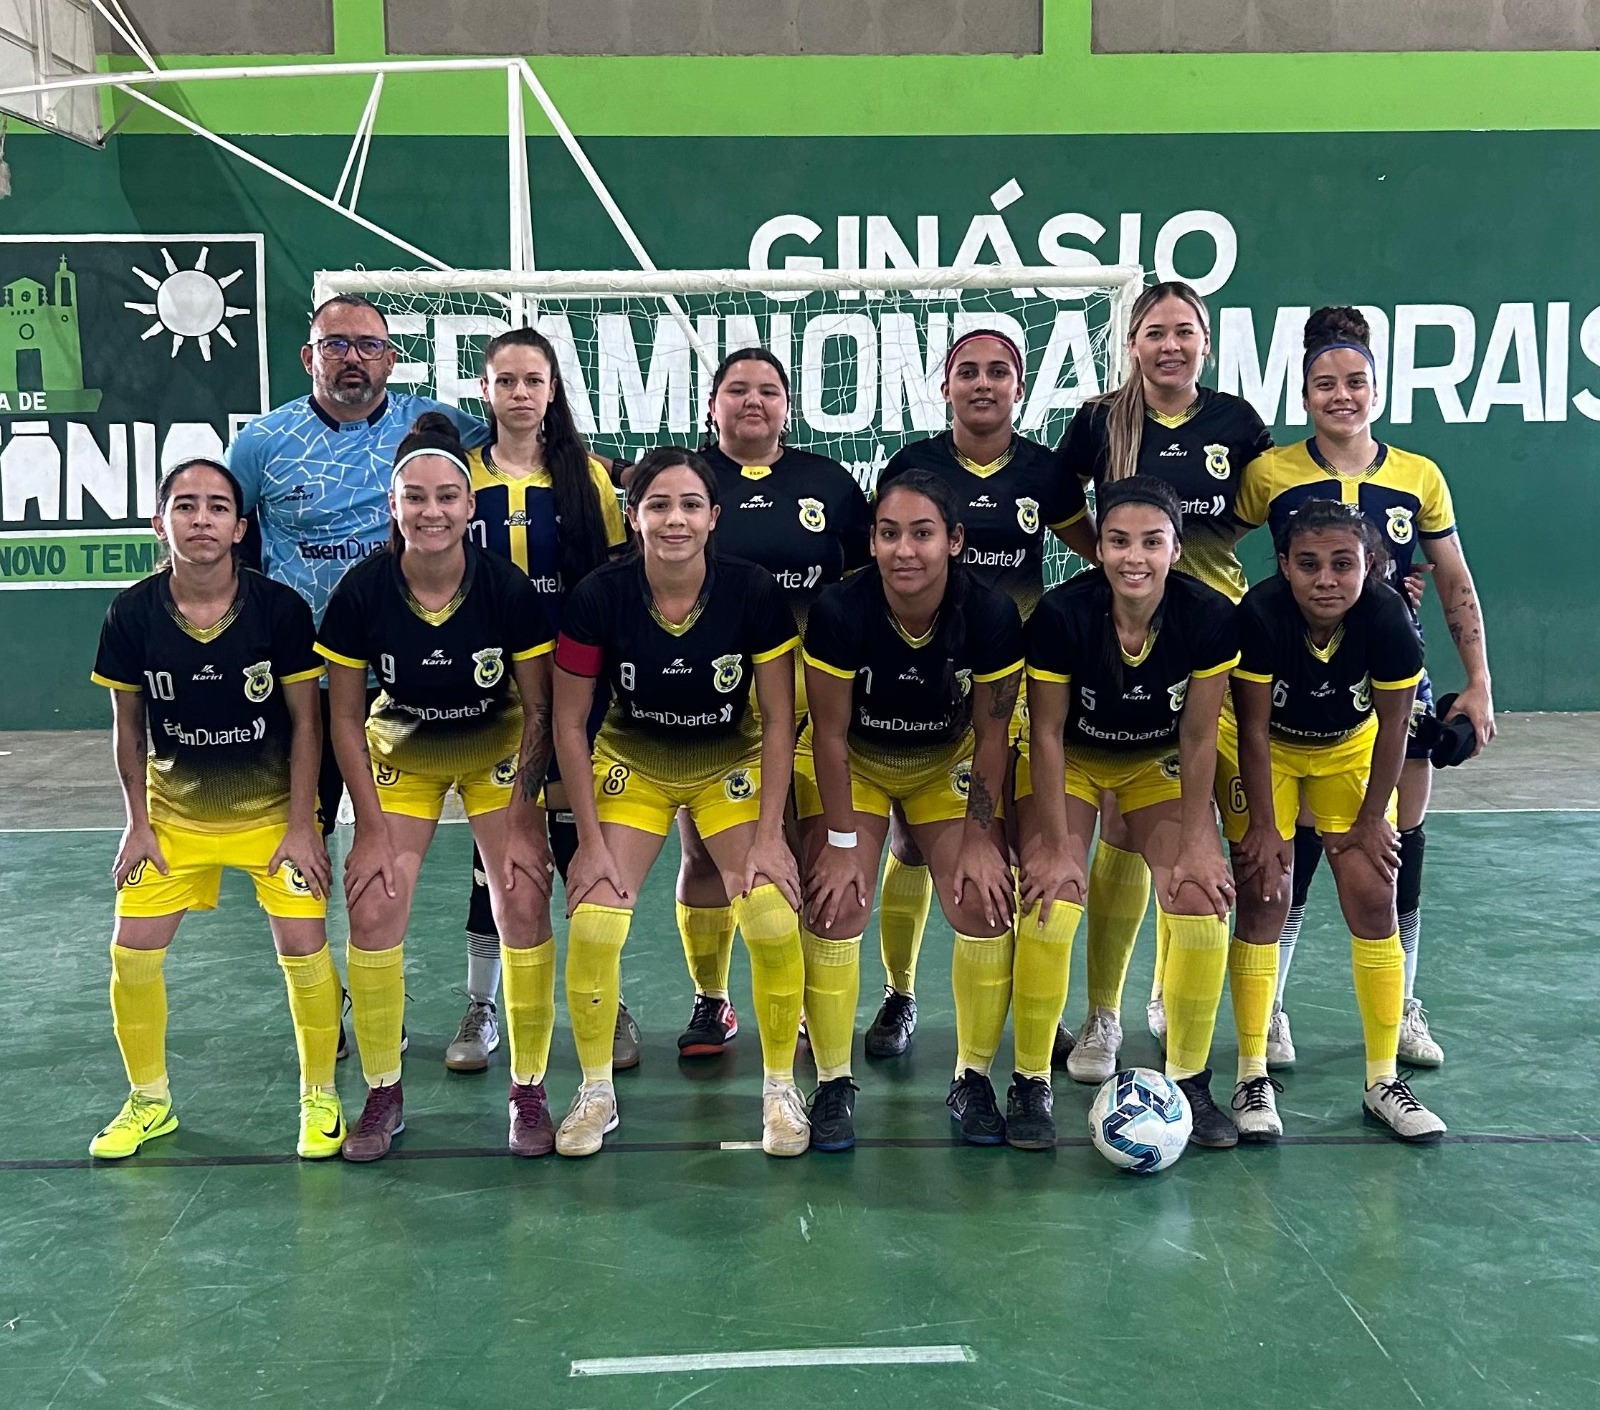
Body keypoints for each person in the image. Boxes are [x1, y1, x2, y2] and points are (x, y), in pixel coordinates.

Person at [1235, 306, 1495, 1069]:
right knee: (1294, 848)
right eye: (1324, 384)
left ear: (1375, 388)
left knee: (1392, 845)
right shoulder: (1272, 473)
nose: (1340, 395)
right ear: (1305, 393)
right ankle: (1270, 1011)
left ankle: (1404, 1002)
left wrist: (1478, 683)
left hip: (1394, 683)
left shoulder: (1419, 476)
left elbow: (1455, 581)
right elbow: (1212, 559)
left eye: (1354, 382)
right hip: (1294, 686)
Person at [551, 447, 809, 1158]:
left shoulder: (751, 590)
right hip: (633, 764)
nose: (674, 519)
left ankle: (780, 1089)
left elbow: (782, 720)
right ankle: (595, 1091)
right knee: (597, 921)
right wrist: (591, 843)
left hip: (730, 761)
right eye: (658, 505)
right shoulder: (600, 595)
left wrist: (768, 837)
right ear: (633, 517)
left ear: (713, 517)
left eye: (690, 504)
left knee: (770, 915)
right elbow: (569, 724)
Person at [317, 415, 557, 1162]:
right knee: (374, 899)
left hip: (495, 751)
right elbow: (346, 714)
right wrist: (373, 827)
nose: (432, 511)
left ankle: (529, 1088)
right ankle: (383, 1089)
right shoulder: (362, 591)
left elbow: (541, 707)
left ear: (469, 506)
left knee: (520, 892)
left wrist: (521, 815)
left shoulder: (507, 589)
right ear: (393, 505)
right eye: (415, 497)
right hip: (405, 756)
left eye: (448, 497)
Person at [1053, 281, 1273, 1083]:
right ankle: (1103, 1013)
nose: (1170, 345)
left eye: (1185, 331)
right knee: (1122, 823)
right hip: (1132, 639)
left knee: (1224, 835)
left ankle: (1230, 1005)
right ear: (1133, 343)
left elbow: (1268, 508)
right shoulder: (1101, 421)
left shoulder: (1237, 424)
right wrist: (1121, 564)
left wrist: (1191, 561)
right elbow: (1058, 501)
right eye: (1155, 332)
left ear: (1205, 342)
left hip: (1224, 646)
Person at [88, 459, 340, 1159]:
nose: (202, 519)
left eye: (217, 507)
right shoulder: (131, 612)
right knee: (132, 957)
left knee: (305, 950)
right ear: (159, 523)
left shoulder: (279, 610)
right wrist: (137, 824)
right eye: (186, 506)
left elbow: (307, 726)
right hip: (172, 820)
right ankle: (150, 1101)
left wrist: (303, 825)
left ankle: (319, 1095)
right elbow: (127, 728)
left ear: (240, 526)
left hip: (272, 820)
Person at [863, 330, 1095, 1062]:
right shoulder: (914, 467)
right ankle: (900, 994)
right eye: (968, 371)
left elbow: (1103, 551)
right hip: (927, 683)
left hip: (1017, 688)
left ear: (1020, 387)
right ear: (946, 386)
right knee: (911, 840)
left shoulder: (1047, 473)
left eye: (999, 371)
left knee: (1015, 849)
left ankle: (1033, 1005)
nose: (984, 383)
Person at [798, 471, 1025, 1150]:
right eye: (889, 533)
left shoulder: (989, 613)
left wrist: (982, 837)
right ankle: (833, 1082)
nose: (905, 550)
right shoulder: (839, 610)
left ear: (953, 540)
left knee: (983, 901)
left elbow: (992, 735)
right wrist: (840, 840)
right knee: (836, 903)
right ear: (871, 540)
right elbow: (829, 738)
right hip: (855, 764)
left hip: (943, 763)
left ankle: (972, 1077)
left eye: (922, 533)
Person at [1017, 476, 1242, 1149]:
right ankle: (1030, 1082)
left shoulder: (1207, 617)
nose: (1133, 557)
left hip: (1153, 764)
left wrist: (1201, 839)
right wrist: (1057, 845)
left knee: (1201, 899)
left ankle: (1190, 1084)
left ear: (1176, 549)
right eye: (1118, 541)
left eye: (1151, 542)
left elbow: (1200, 737)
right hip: (1074, 760)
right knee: (1052, 899)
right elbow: (1049, 735)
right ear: (1100, 548)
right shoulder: (1061, 615)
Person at [667, 348, 871, 1060]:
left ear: (788, 406)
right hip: (714, 703)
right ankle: (712, 999)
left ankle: (814, 1006)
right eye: (737, 389)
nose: (753, 401)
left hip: (813, 695)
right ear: (712, 403)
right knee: (706, 858)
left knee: (808, 852)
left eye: (769, 391)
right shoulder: (685, 481)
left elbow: (862, 587)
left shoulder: (829, 482)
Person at [1225, 500, 1445, 1142]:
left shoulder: (1388, 618)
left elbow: (1397, 724)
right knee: (1265, 894)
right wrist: (1267, 826)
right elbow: (1256, 730)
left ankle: (1382, 1081)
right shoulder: (1260, 615)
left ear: (1370, 566)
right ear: (1285, 568)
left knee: (1377, 900)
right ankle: (1250, 1073)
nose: (1326, 579)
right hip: (1270, 754)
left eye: (1342, 564)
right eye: (1309, 564)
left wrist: (1376, 818)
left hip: (1352, 749)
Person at [448, 327, 630, 1077]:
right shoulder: (458, 476)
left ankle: (604, 998)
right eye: (506, 380)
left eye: (534, 380)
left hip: (573, 687)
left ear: (553, 391)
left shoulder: (584, 479)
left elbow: (616, 582)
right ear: (485, 392)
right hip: (481, 688)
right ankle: (482, 1002)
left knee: (576, 837)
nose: (520, 393)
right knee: (494, 854)